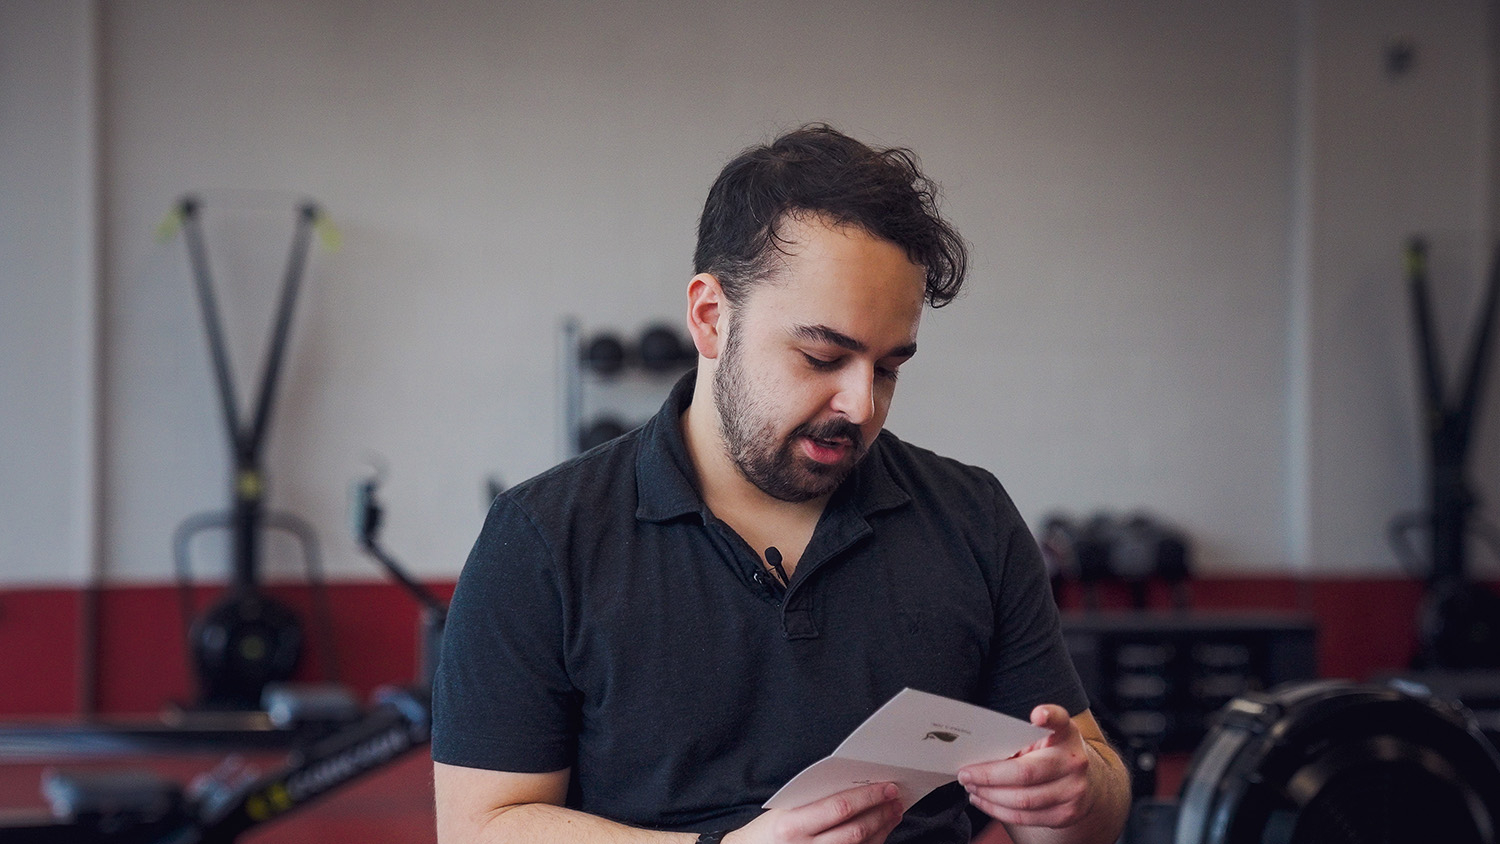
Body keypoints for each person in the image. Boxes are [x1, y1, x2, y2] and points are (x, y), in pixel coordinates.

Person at [432, 125, 1131, 844]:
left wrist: (1073, 793)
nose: (862, 406)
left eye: (888, 368)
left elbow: (1089, 804)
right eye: (822, 356)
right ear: (710, 317)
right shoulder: (543, 539)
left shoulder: (971, 518)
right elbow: (481, 826)